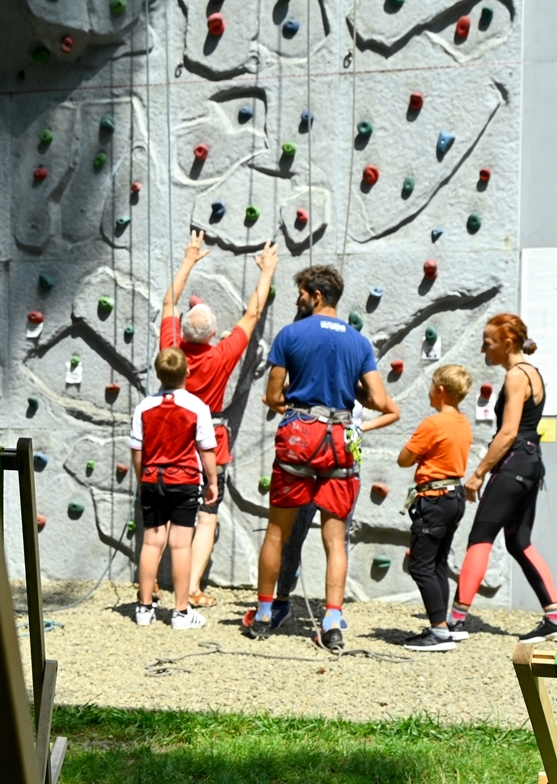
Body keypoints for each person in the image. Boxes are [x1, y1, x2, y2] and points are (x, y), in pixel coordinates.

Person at [245, 265, 398, 650]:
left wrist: (296, 401)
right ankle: (331, 622)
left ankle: (263, 614)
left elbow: (273, 396)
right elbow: (380, 401)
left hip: (300, 435)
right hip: (339, 438)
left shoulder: (290, 334)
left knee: (277, 531)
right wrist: (348, 390)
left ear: (316, 295)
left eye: (301, 294)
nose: (298, 300)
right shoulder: (359, 342)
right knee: (335, 539)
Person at [158, 229, 279, 609]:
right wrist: (266, 271)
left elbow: (168, 302)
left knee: (166, 512)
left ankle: (155, 582)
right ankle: (192, 587)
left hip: (169, 440)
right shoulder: (221, 355)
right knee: (207, 515)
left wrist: (189, 260)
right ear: (213, 334)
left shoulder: (171, 350)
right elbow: (253, 313)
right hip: (210, 442)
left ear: (182, 330)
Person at [448, 313, 557, 643]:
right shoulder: (533, 373)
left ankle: (454, 623)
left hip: (514, 463)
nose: (483, 349)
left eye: (487, 343)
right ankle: (556, 620)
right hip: (531, 464)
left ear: (507, 343)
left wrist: (478, 473)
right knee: (519, 542)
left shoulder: (516, 376)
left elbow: (508, 432)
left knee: (480, 537)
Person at [129, 348, 220, 629]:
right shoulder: (197, 406)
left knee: (151, 543)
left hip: (152, 480)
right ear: (187, 372)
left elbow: (136, 451)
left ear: (158, 374)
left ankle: (144, 608)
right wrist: (213, 481)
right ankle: (181, 612)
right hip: (184, 482)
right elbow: (206, 450)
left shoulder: (143, 407)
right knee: (180, 546)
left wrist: (141, 480)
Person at [396, 365, 473, 651]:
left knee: (420, 565)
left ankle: (439, 632)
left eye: (431, 385)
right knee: (438, 562)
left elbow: (404, 459)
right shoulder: (463, 422)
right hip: (454, 497)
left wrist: (422, 457)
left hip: (434, 499)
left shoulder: (433, 424)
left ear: (440, 390)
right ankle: (444, 626)